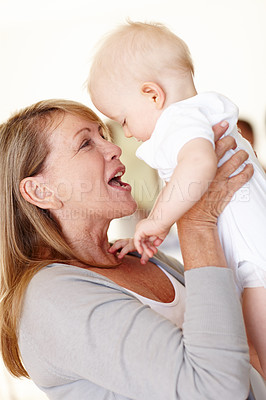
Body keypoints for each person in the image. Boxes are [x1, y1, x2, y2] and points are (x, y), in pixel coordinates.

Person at [0, 99, 253, 399]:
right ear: (41, 191)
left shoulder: (138, 256)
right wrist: (196, 222)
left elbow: (234, 333)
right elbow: (215, 391)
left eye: (103, 136)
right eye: (85, 144)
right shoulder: (49, 299)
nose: (115, 148)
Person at [88, 21, 266, 378]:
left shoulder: (178, 121)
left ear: (152, 95)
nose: (126, 133)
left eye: (123, 119)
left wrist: (157, 220)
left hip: (257, 266)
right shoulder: (197, 116)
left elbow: (199, 165)